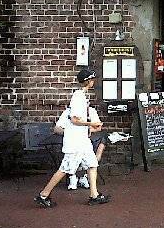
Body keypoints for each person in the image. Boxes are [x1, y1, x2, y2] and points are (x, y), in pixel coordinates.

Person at [34, 68, 109, 207]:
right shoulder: (78, 97)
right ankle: (43, 195)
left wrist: (89, 127)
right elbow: (74, 120)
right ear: (88, 81)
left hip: (83, 141)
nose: (93, 82)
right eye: (92, 79)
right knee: (65, 168)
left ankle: (94, 195)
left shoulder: (82, 96)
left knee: (92, 164)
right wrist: (91, 124)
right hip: (75, 142)